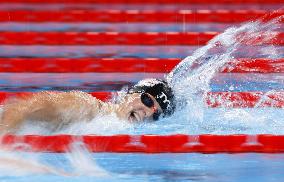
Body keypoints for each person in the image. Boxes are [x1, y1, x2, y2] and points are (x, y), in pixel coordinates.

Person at [0, 78, 175, 134]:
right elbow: (22, 110)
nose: (147, 113)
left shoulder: (109, 127)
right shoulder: (87, 106)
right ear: (131, 93)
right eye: (147, 101)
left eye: (156, 114)